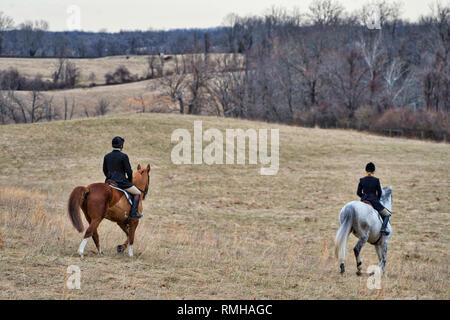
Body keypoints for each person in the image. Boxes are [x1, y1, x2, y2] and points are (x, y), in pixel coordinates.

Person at [103, 136, 143, 219]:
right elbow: (129, 171)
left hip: (109, 181)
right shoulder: (123, 156)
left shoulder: (107, 156)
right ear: (121, 146)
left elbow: (104, 170)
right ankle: (133, 213)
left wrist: (109, 177)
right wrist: (129, 180)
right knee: (137, 193)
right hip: (121, 182)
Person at [357, 162, 391, 235]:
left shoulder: (362, 180)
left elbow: (358, 192)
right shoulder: (376, 180)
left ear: (366, 170)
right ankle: (383, 229)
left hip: (364, 200)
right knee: (387, 214)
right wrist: (377, 200)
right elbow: (380, 192)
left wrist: (364, 197)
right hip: (374, 201)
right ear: (374, 171)